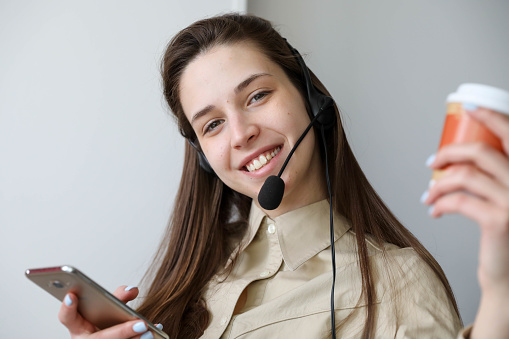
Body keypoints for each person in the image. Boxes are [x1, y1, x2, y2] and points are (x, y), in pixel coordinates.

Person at [57, 13, 509, 339]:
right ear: (201, 156)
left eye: (256, 96)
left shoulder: (396, 283)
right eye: (212, 124)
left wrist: (502, 290)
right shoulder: (191, 277)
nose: (241, 133)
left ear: (311, 98)